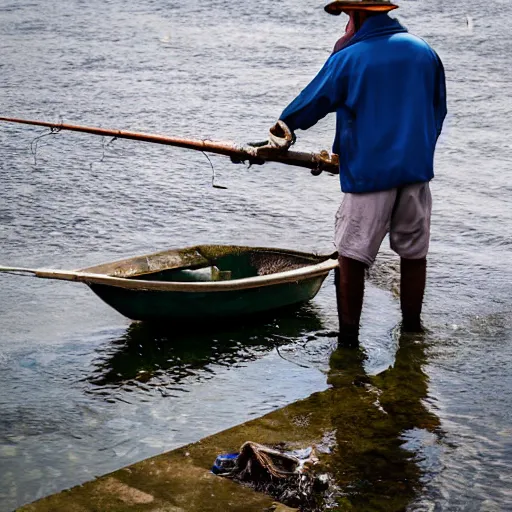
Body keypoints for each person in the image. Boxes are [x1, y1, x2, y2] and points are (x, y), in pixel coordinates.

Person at [270, 0, 447, 345]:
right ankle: (412, 331)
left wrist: (283, 128)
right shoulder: (424, 52)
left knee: (351, 257)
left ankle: (349, 342)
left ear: (359, 15)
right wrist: (417, 152)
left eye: (347, 18)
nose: (344, 26)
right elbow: (437, 110)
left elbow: (313, 101)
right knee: (413, 254)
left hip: (369, 177)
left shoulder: (349, 57)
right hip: (416, 174)